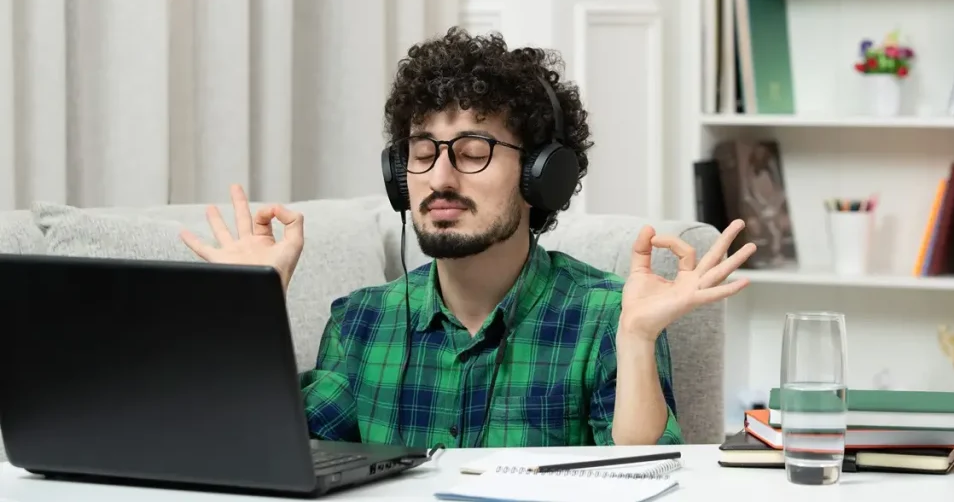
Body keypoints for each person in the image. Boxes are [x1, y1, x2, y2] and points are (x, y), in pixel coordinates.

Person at [181, 27, 755, 450]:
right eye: (422, 153)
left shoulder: (613, 315)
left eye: (474, 152)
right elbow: (262, 451)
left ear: (542, 175)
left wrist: (635, 338)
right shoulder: (362, 322)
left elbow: (640, 475)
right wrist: (248, 305)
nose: (440, 178)